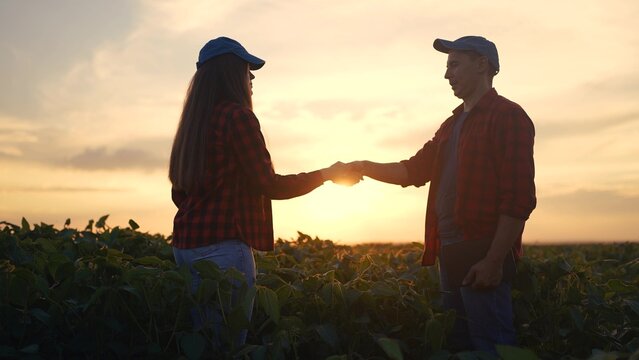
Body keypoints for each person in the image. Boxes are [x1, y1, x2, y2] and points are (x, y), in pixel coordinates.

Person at [168, 36, 359, 350]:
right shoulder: (237, 117)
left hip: (186, 248)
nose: (252, 78)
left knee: (203, 344)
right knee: (229, 347)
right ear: (232, 74)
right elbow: (269, 185)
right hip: (224, 249)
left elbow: (180, 194)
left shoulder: (192, 124)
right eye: (247, 70)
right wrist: (327, 174)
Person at [350, 36, 536, 353]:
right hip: (448, 248)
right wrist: (362, 166)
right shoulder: (450, 125)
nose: (447, 75)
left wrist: (493, 260)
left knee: (491, 345)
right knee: (459, 344)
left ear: (482, 65)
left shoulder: (508, 116)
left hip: (482, 248)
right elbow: (413, 171)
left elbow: (518, 198)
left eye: (454, 64)